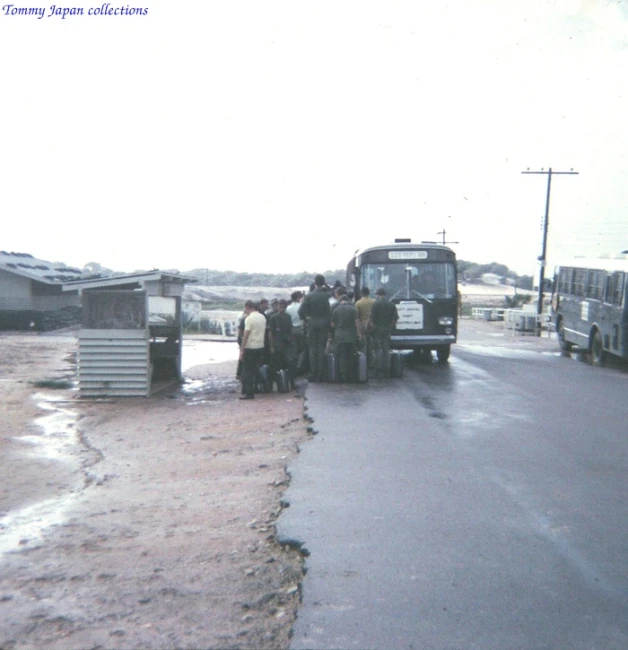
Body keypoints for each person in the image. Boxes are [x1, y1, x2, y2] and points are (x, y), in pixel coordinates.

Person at [298, 274, 331, 382]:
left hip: (312, 324)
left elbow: (300, 311)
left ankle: (313, 372)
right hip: (324, 325)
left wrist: (307, 319)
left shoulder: (309, 296)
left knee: (312, 349)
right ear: (324, 282)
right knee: (321, 348)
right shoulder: (327, 295)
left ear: (314, 283)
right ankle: (321, 373)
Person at [330, 293, 361, 382]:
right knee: (351, 356)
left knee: (341, 356)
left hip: (339, 336)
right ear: (347, 300)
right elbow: (357, 323)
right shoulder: (353, 309)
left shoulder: (335, 310)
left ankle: (342, 376)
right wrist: (359, 334)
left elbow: (332, 324)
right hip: (351, 336)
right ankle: (350, 375)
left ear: (340, 301)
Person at [239, 301, 267, 400]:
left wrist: (241, 350)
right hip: (260, 346)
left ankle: (249, 393)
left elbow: (245, 335)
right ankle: (263, 382)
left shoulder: (249, 319)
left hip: (250, 347)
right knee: (255, 367)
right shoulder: (262, 317)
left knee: (246, 371)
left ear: (248, 307)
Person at [368, 287, 398, 378]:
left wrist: (371, 329)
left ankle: (378, 371)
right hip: (387, 330)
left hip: (377, 330)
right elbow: (395, 319)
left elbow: (372, 318)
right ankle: (387, 370)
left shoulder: (376, 304)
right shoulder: (391, 305)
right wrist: (389, 327)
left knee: (377, 350)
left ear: (378, 295)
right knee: (386, 350)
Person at [268, 299, 294, 387]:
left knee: (289, 363)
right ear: (278, 307)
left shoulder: (288, 317)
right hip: (277, 343)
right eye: (280, 306)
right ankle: (281, 383)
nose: (281, 308)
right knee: (278, 364)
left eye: (283, 307)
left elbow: (290, 330)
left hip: (286, 343)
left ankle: (290, 382)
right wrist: (271, 346)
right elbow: (271, 333)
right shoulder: (273, 318)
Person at [355, 286, 376, 367]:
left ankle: (364, 365)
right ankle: (372, 363)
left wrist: (358, 331)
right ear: (369, 293)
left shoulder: (358, 303)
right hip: (372, 324)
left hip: (362, 324)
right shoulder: (374, 302)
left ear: (361, 293)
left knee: (364, 345)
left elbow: (356, 317)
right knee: (372, 345)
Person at [286, 291, 305, 375]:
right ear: (298, 297)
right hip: (300, 329)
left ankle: (293, 366)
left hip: (291, 330)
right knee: (302, 349)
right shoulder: (301, 306)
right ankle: (299, 366)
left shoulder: (288, 308)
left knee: (294, 349)